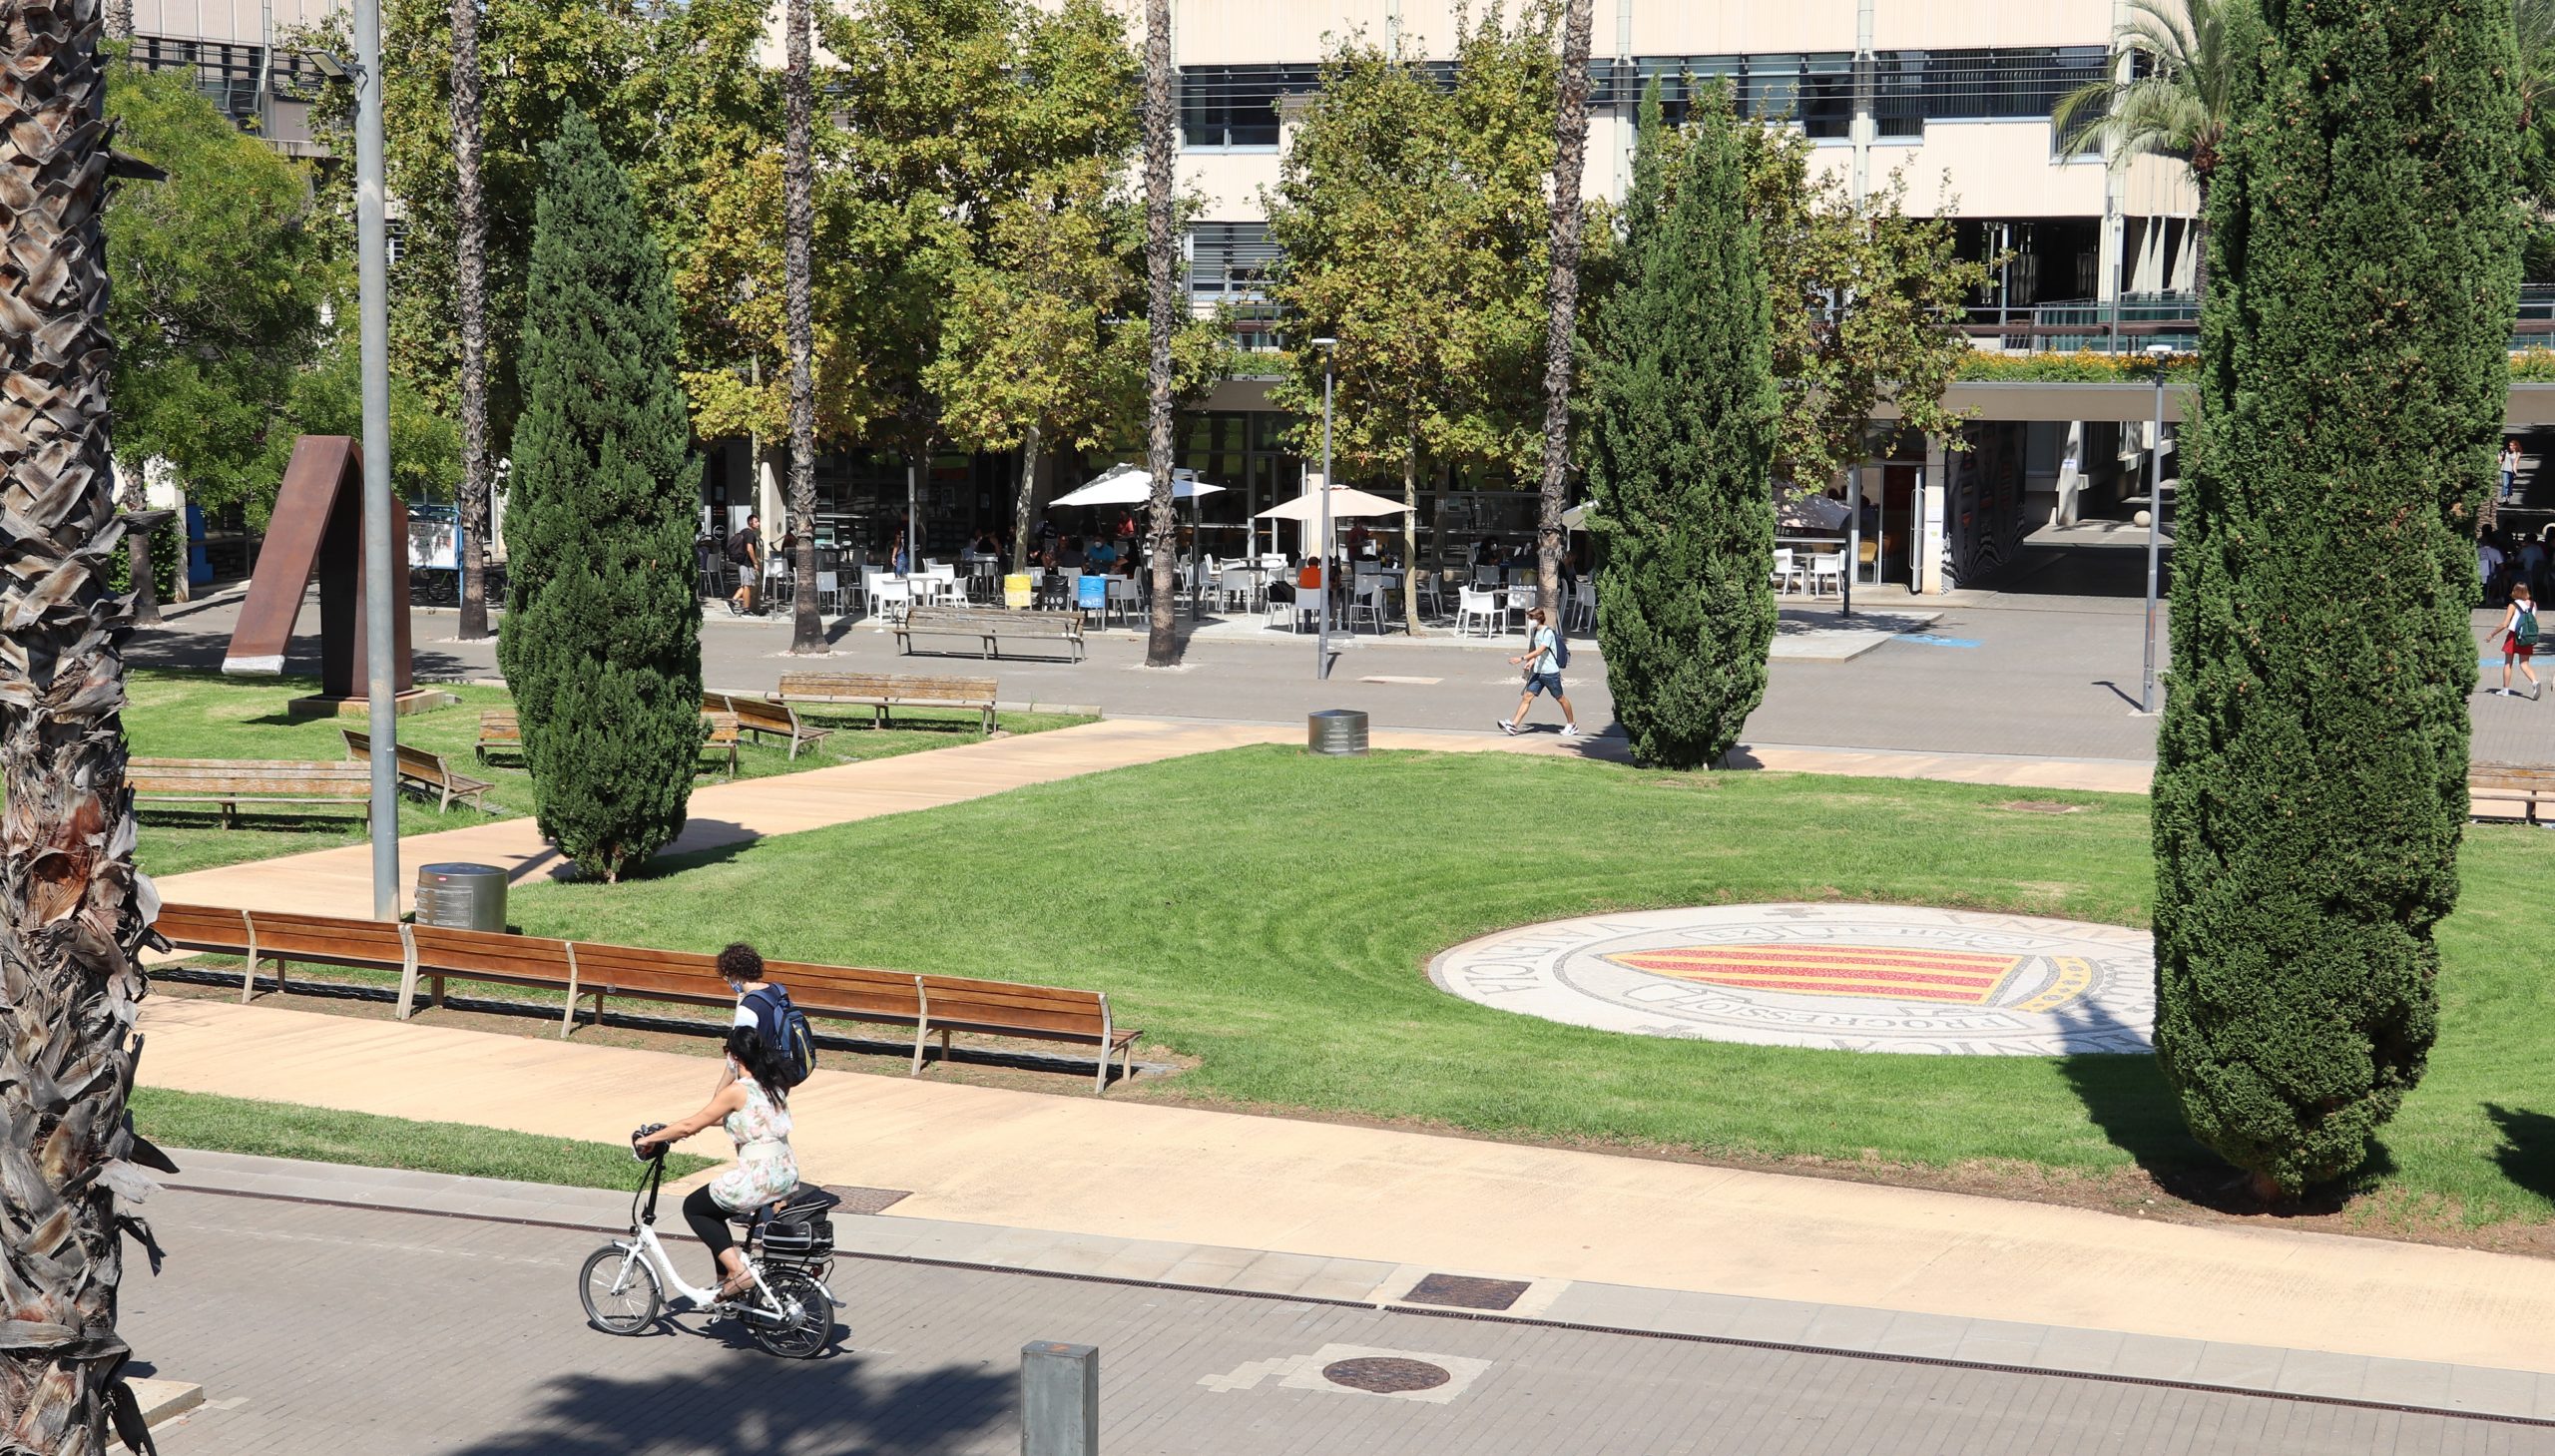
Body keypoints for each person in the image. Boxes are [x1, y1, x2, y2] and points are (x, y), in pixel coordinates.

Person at [634, 1025, 798, 1302]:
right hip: (785, 1173)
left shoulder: (737, 1090)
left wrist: (649, 1139)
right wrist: (672, 1130)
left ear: (734, 1056)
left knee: (695, 1208)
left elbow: (689, 1125)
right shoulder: (773, 1084)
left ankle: (738, 1273)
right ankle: (724, 1284)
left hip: (758, 1177)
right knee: (716, 1210)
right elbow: (732, 1117)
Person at [1498, 607, 1579, 737]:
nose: (1530, 621)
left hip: (1550, 673)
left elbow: (1540, 650)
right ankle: (1513, 725)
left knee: (1560, 698)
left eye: (1531, 618)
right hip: (1538, 672)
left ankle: (1572, 724)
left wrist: (1522, 658)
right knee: (1527, 697)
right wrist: (1532, 661)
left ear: (1539, 618)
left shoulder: (1548, 633)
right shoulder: (1535, 631)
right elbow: (1539, 653)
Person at [2493, 583, 2543, 700]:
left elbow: (2505, 624)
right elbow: (2534, 621)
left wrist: (2492, 634)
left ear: (2515, 591)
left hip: (2513, 636)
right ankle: (2535, 682)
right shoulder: (2533, 604)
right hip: (2527, 637)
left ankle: (2505, 690)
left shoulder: (2513, 605)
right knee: (2524, 664)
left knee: (2508, 662)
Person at [728, 513, 763, 616]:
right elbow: (749, 548)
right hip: (747, 563)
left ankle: (732, 601)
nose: (758, 523)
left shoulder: (743, 532)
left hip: (743, 562)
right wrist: (755, 562)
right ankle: (746, 610)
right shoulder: (750, 534)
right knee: (747, 586)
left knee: (746, 585)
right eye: (756, 522)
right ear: (750, 522)